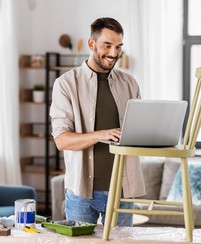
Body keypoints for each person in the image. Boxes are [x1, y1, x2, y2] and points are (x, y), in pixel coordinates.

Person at [50, 17, 145, 228]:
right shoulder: (65, 84)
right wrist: (100, 134)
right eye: (107, 45)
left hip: (122, 190)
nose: (113, 53)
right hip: (81, 192)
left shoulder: (130, 84)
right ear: (91, 44)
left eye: (118, 47)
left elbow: (135, 134)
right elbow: (62, 140)